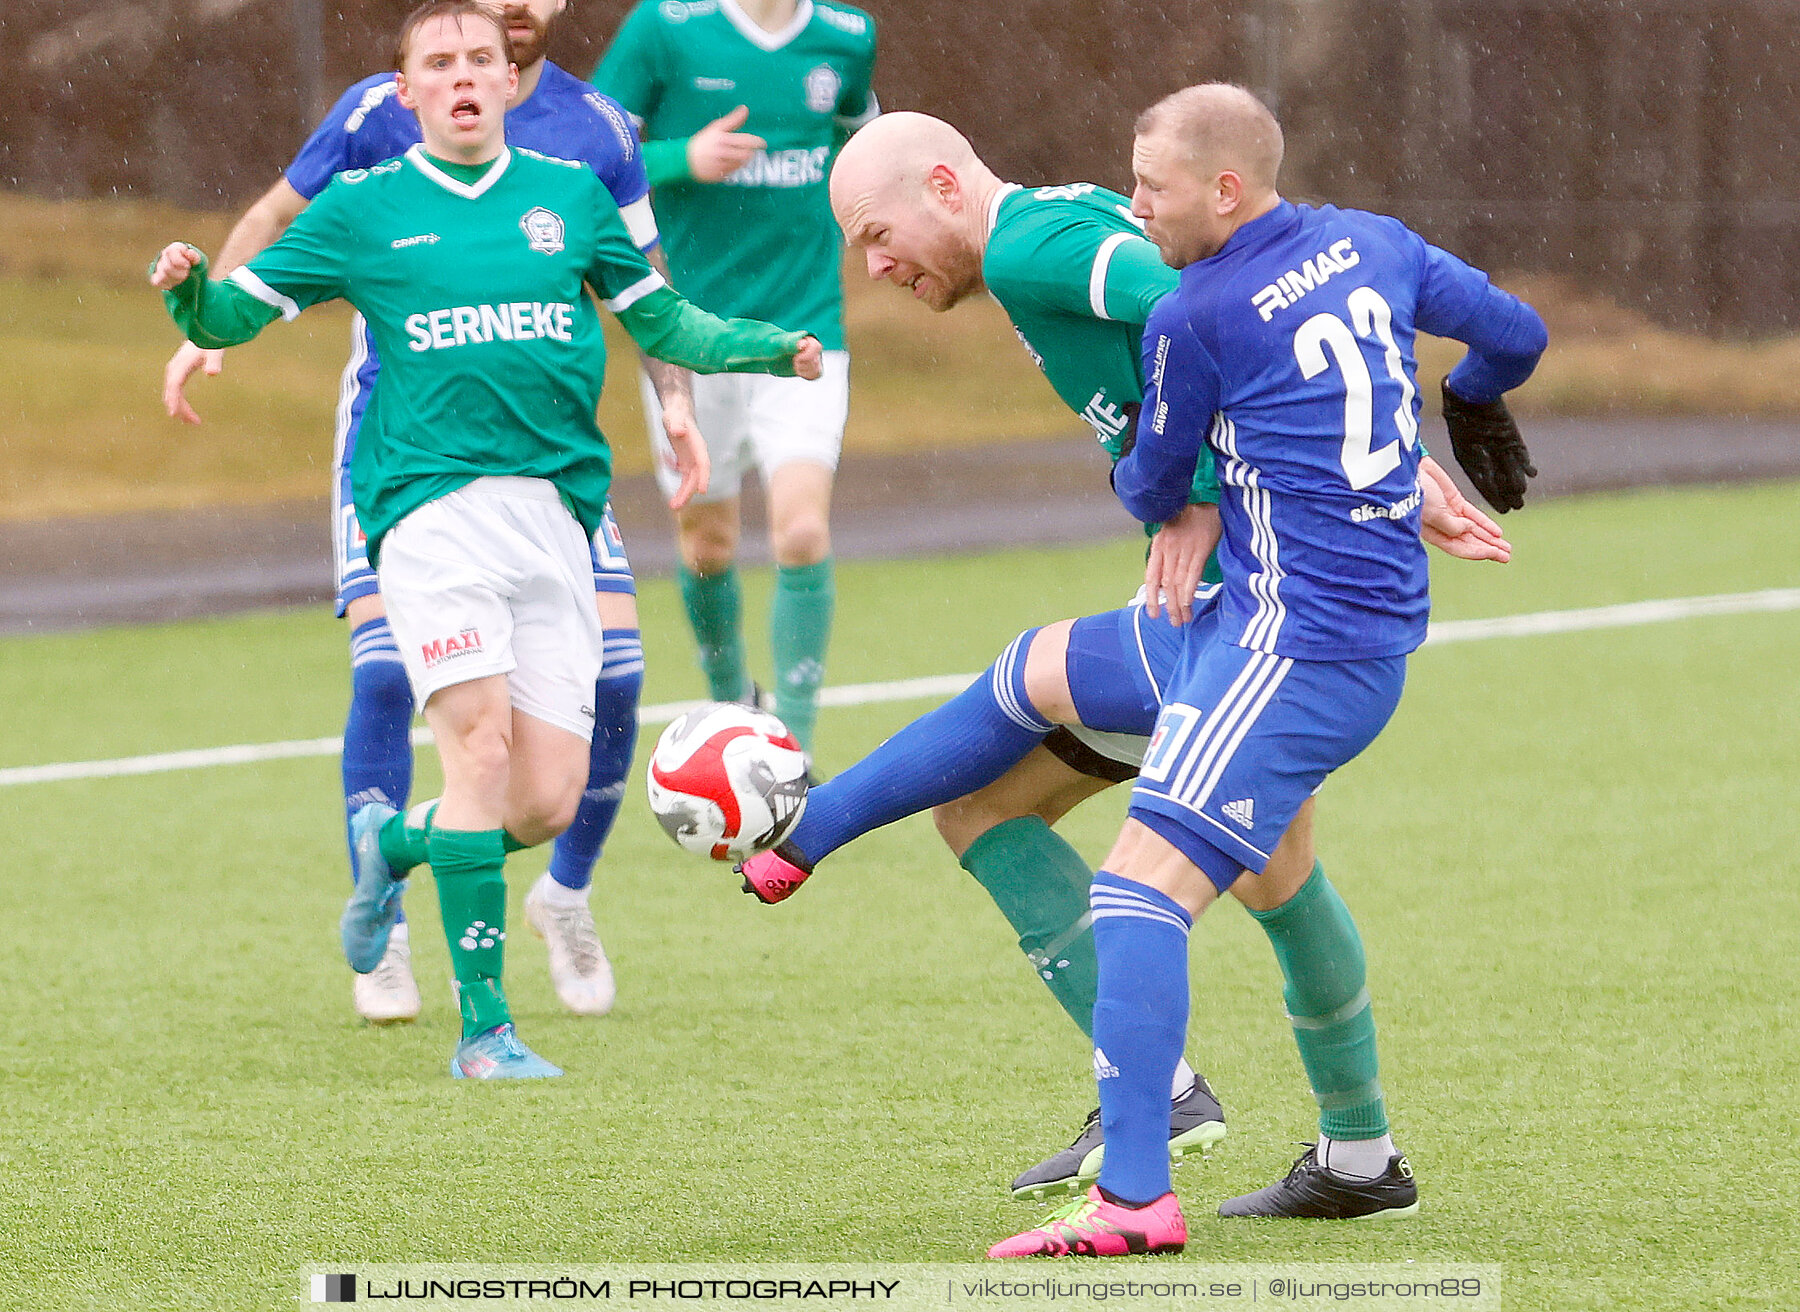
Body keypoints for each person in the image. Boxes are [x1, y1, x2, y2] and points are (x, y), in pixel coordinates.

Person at [730, 111, 1515, 1201]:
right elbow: (1259, 316)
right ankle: (1357, 1152)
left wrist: (1191, 495)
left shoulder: (1027, 245)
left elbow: (1188, 300)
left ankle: (812, 835)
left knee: (1030, 687)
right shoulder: (1047, 235)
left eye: (876, 232)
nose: (873, 265)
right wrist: (1379, 452)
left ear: (947, 186)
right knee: (1263, 874)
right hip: (1282, 608)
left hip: (1260, 617)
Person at [152, 0, 821, 1079]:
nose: (463, 74)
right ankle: (485, 1030)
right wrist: (190, 294)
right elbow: (233, 315)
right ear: (406, 90)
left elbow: (668, 321)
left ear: (510, 82)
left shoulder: (571, 194)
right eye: (438, 63)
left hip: (555, 510)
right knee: (480, 751)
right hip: (427, 509)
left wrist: (762, 348)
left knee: (542, 798)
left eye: (479, 59)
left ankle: (393, 843)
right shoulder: (366, 208)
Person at [989, 83, 1544, 1257]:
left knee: (1134, 894)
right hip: (1371, 628)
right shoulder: (1375, 243)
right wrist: (1471, 398)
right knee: (1277, 886)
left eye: (1152, 185)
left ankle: (1135, 1199)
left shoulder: (1194, 314)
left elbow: (1151, 486)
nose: (1133, 206)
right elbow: (1518, 334)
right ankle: (1358, 1159)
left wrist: (1148, 450)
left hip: (1294, 645)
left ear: (1224, 190)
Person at [590, 0, 878, 759]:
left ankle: (795, 752)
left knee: (803, 529)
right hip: (689, 334)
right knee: (708, 546)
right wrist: (684, 156)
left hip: (804, 331)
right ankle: (730, 711)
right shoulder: (665, 27)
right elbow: (584, 158)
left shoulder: (847, 37)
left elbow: (863, 144)